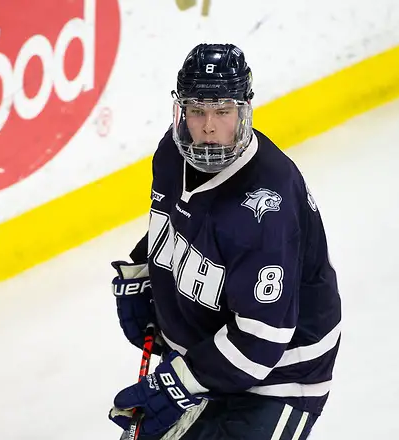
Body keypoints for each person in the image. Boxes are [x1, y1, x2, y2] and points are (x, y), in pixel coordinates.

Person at [108, 43, 342, 440]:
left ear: (244, 112)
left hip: (277, 378)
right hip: (205, 355)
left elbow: (260, 339)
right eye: (197, 111)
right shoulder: (171, 154)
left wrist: (175, 384)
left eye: (223, 111)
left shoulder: (266, 207)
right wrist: (146, 270)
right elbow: (181, 221)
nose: (209, 127)